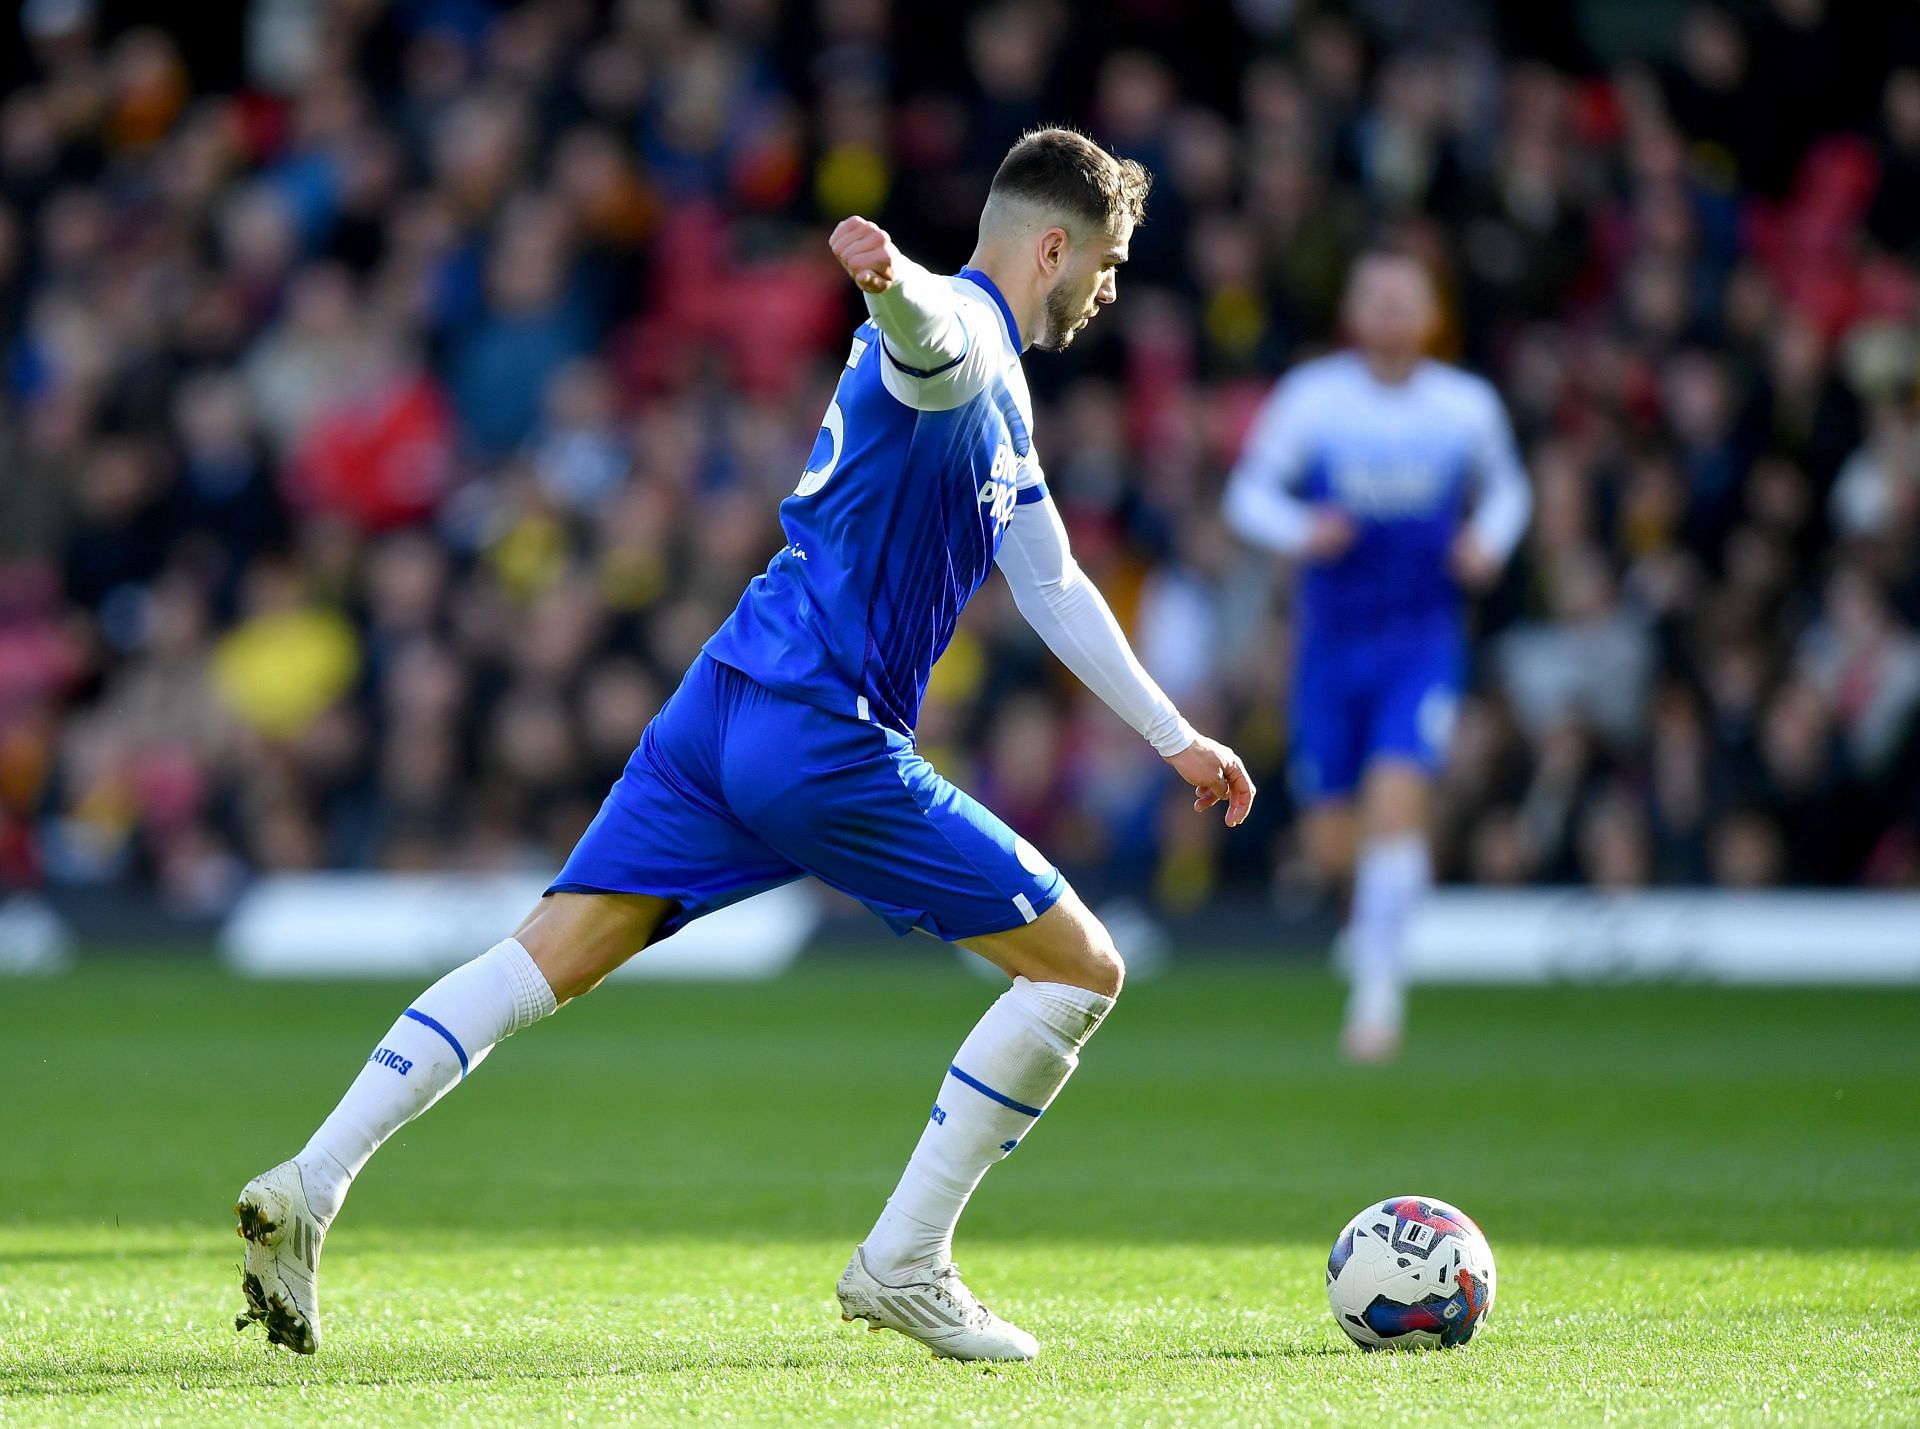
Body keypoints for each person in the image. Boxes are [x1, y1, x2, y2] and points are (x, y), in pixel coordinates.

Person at [233, 128, 1255, 1364]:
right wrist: (894, 284)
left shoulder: (1005, 396)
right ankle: (906, 1262)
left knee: (541, 956)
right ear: (1054, 245)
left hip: (723, 699)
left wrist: (1174, 734)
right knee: (1080, 969)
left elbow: (1052, 585)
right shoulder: (966, 338)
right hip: (821, 731)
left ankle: (312, 1179)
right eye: (1107, 263)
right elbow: (939, 335)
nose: (1106, 292)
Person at [1224, 251, 1529, 1062]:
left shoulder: (1464, 406)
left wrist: (1486, 541)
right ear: (1352, 313)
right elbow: (1248, 493)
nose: (1392, 313)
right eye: (1377, 299)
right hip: (1328, 644)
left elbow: (1509, 490)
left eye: (1407, 299)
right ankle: (1373, 939)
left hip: (1420, 636)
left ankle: (1379, 995)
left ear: (1432, 314)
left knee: (1398, 799)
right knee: (1332, 840)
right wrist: (1301, 531)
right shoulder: (1315, 399)